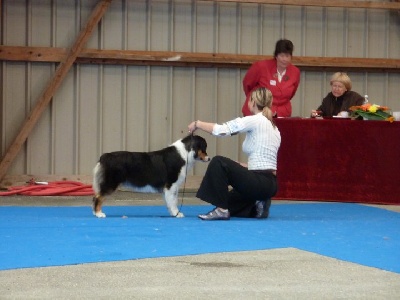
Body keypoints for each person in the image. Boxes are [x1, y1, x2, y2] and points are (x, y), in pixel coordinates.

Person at [187, 87, 280, 221]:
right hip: (270, 184)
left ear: (253, 102)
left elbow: (221, 130)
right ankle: (257, 205)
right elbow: (265, 164)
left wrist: (198, 124)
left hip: (259, 182)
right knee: (230, 202)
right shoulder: (274, 128)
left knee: (218, 162)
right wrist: (241, 166)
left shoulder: (254, 120)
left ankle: (221, 210)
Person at [242, 39, 300, 118]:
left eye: (287, 56)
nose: (285, 59)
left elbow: (292, 93)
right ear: (276, 56)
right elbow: (247, 84)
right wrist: (256, 99)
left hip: (282, 115)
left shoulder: (295, 72)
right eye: (282, 56)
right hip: (258, 112)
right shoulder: (260, 67)